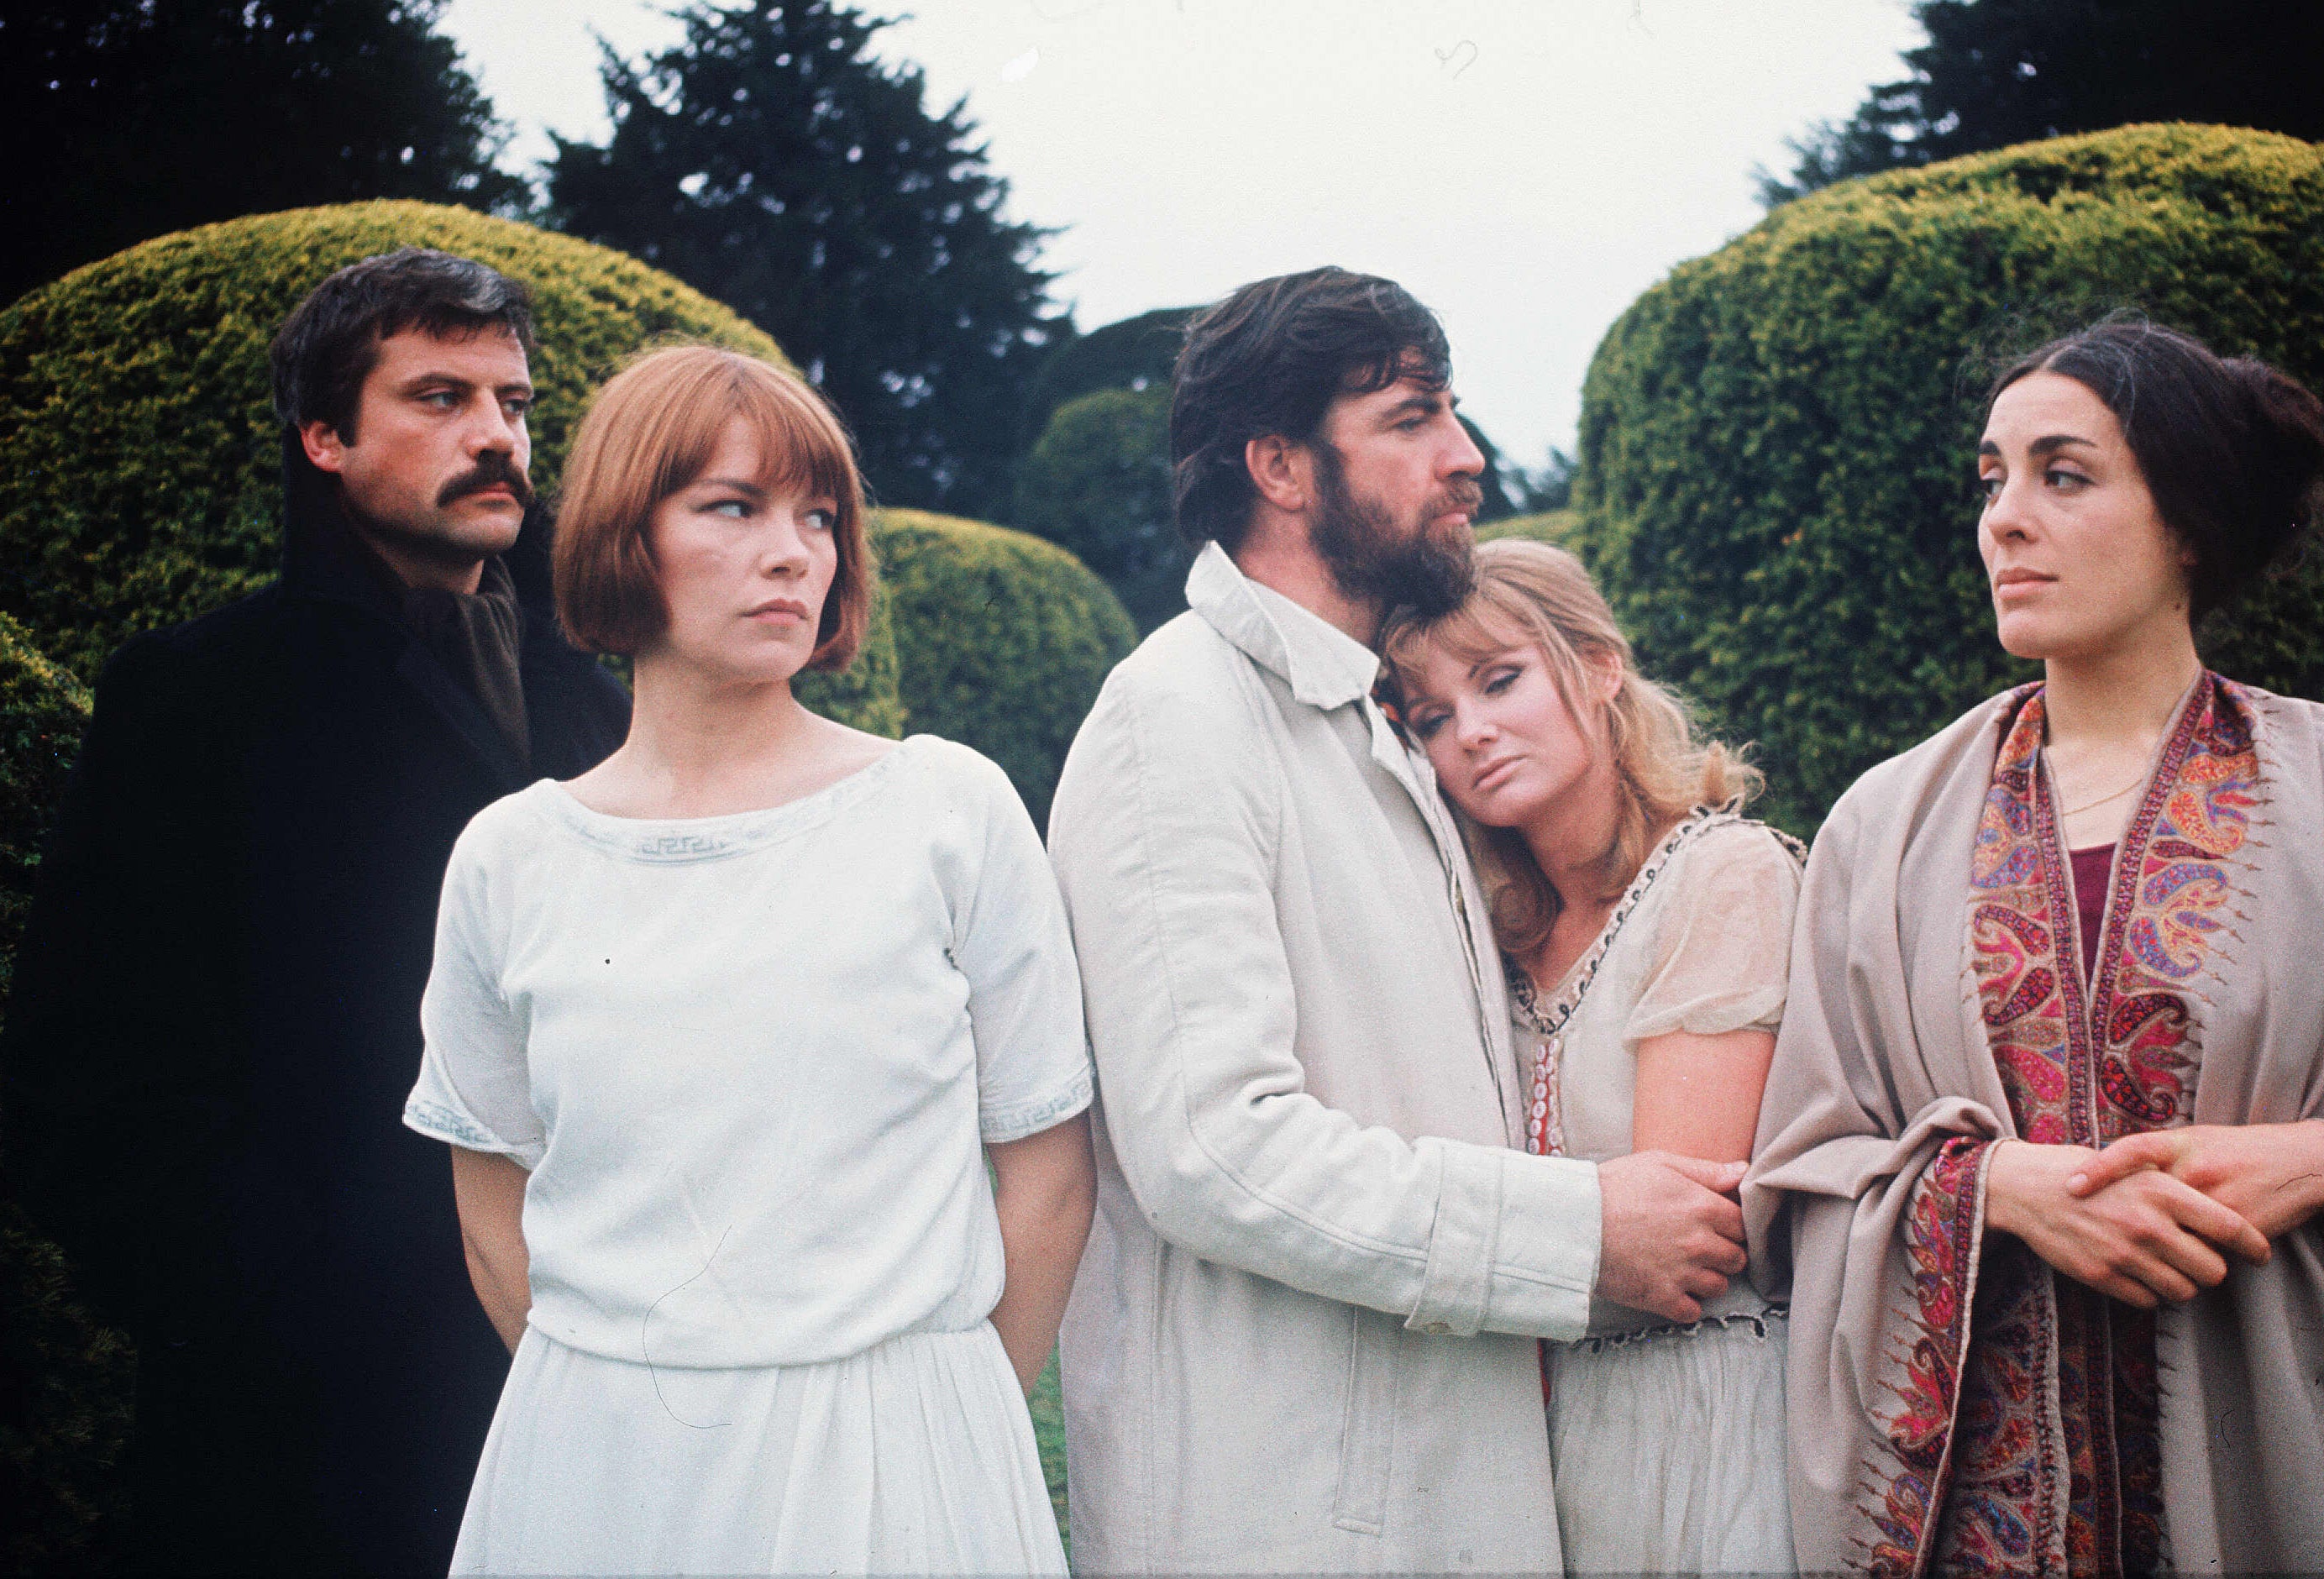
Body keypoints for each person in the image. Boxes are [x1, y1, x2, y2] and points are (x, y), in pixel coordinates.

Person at [1049, 267, 1755, 1573]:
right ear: (1282, 465)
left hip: (1453, 1487)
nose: (1467, 457)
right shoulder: (1179, 719)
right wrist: (1582, 1230)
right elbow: (1213, 1148)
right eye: (1414, 418)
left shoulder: (1370, 722)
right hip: (1286, 1506)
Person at [402, 344, 1096, 1576]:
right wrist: (620, 1403)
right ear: (626, 532)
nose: (796, 553)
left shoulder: (946, 809)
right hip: (598, 1475)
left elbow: (1047, 1173)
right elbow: (489, 1195)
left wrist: (951, 1423)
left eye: (818, 517)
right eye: (734, 506)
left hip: (902, 1465)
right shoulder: (511, 860)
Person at [0, 248, 630, 1571]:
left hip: (597, 1389)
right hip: (303, 1440)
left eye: (514, 404)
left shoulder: (607, 700)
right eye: (439, 397)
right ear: (326, 437)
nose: (496, 437)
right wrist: (276, 1298)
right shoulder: (198, 699)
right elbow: (86, 1091)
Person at [1748, 317, 2324, 1574]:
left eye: (2063, 474)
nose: (2005, 520)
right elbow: (1799, 1173)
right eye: (1993, 480)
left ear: (2187, 521)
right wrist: (1996, 1190)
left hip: (2284, 1466)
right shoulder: (1882, 826)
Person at [1379, 536, 1800, 1575]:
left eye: (1500, 679)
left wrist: (1404, 1254)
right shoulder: (1483, 936)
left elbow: (1685, 1241)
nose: (1471, 732)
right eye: (1432, 716)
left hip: (1694, 1426)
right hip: (1517, 1447)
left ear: (1600, 666)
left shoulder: (1721, 874)